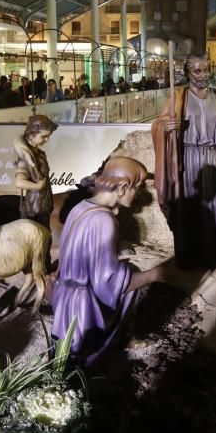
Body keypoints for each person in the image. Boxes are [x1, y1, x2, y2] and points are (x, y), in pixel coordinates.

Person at [50, 157, 170, 367]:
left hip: (64, 298)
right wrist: (154, 274)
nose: (139, 193)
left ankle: (123, 337)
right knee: (132, 278)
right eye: (138, 187)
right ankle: (120, 340)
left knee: (129, 270)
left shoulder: (80, 207)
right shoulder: (104, 220)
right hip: (84, 311)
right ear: (123, 187)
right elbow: (108, 282)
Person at [152, 52, 216, 269]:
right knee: (193, 207)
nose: (202, 75)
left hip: (211, 157)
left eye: (205, 69)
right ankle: (194, 257)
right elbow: (158, 125)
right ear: (188, 73)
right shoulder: (178, 98)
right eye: (197, 70)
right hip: (188, 159)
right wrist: (165, 127)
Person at [14, 115, 57, 227]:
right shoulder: (26, 159)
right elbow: (19, 182)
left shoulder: (40, 154)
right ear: (32, 134)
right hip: (33, 209)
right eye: (44, 136)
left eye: (48, 136)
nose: (47, 139)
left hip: (43, 206)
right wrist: (38, 186)